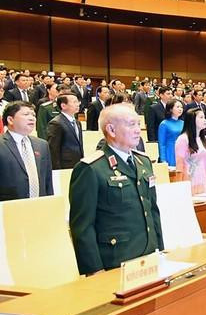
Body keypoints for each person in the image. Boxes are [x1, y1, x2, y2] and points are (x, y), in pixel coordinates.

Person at [68, 104, 163, 275]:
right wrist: (94, 270)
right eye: (131, 124)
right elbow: (82, 226)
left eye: (137, 124)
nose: (137, 130)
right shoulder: (91, 168)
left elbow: (152, 209)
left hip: (148, 254)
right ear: (111, 130)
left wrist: (159, 248)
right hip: (115, 260)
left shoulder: (143, 162)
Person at [0, 101, 54, 201]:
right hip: (8, 208)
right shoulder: (2, 144)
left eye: (33, 115)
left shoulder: (42, 144)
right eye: (26, 114)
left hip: (38, 204)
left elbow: (47, 180)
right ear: (10, 120)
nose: (32, 118)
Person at [175, 108, 206, 195]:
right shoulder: (183, 139)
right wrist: (179, 187)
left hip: (203, 179)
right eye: (201, 117)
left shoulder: (204, 139)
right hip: (189, 179)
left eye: (204, 117)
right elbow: (179, 166)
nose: (204, 120)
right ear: (192, 120)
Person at [46, 91, 84, 169]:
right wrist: (56, 169)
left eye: (77, 101)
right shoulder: (56, 123)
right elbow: (53, 150)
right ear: (63, 105)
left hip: (77, 163)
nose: (78, 104)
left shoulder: (77, 122)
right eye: (74, 102)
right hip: (64, 165)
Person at [158, 100, 184, 167]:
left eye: (181, 107)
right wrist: (163, 160)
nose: (180, 109)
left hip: (182, 152)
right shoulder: (164, 124)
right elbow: (162, 144)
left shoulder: (183, 123)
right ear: (171, 109)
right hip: (170, 152)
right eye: (177, 107)